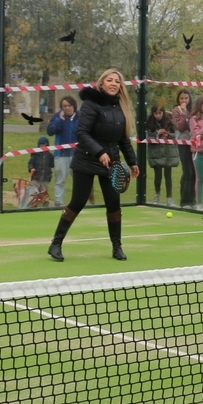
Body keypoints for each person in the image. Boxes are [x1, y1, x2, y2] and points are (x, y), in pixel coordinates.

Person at [47, 68, 139, 262]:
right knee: (78, 202)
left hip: (110, 162)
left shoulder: (120, 107)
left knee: (114, 204)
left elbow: (122, 138)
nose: (114, 84)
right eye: (110, 80)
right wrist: (100, 152)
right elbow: (82, 133)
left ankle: (117, 247)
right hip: (86, 160)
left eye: (117, 81)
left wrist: (132, 161)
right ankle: (56, 244)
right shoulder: (90, 104)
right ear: (102, 83)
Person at [46, 96, 79, 207]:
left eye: (69, 105)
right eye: (64, 106)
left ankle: (77, 202)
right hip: (60, 154)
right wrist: (60, 120)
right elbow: (50, 131)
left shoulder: (80, 117)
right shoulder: (57, 117)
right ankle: (58, 202)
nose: (67, 108)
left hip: (77, 154)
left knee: (78, 180)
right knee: (60, 180)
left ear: (73, 106)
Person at [145, 103, 179, 207]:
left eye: (160, 113)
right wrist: (157, 133)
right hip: (157, 154)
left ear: (163, 113)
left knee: (168, 176)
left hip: (168, 153)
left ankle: (169, 198)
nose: (158, 115)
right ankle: (157, 195)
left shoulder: (169, 122)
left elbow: (176, 135)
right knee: (158, 176)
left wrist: (168, 135)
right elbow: (147, 136)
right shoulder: (149, 123)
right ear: (153, 113)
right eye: (156, 113)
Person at [172, 90, 197, 208]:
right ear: (178, 100)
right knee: (187, 171)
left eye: (186, 98)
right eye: (181, 98)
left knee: (193, 172)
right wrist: (183, 113)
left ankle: (192, 200)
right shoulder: (176, 111)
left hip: (193, 142)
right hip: (183, 143)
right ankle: (185, 201)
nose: (184, 101)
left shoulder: (193, 110)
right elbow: (180, 126)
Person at [27, 136, 55, 206]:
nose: (43, 147)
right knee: (34, 192)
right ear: (38, 146)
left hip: (45, 177)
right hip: (36, 177)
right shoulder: (35, 155)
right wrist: (31, 168)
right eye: (42, 145)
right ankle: (33, 205)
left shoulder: (50, 155)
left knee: (44, 192)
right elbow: (30, 163)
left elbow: (52, 165)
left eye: (45, 145)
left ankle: (45, 204)